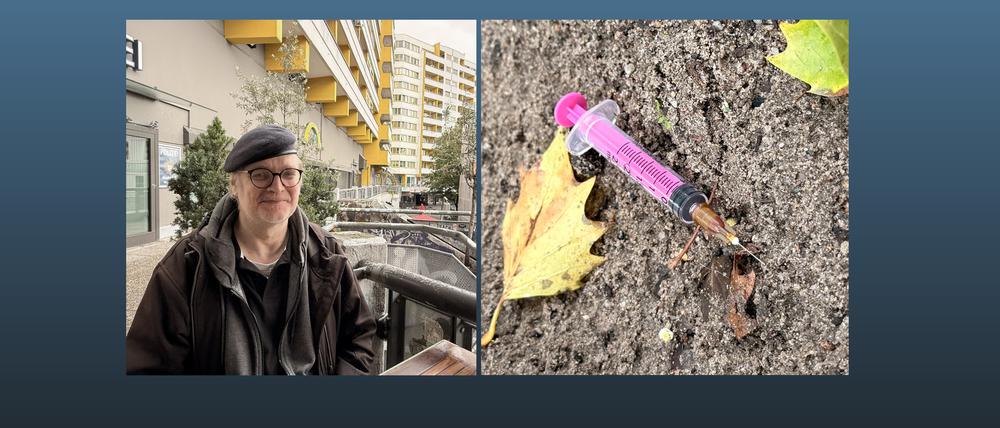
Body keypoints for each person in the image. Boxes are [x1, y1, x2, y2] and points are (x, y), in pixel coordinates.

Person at [127, 125, 376, 375]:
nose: (277, 187)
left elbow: (359, 338)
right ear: (234, 185)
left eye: (288, 173)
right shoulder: (187, 265)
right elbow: (149, 367)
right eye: (260, 175)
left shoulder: (326, 254)